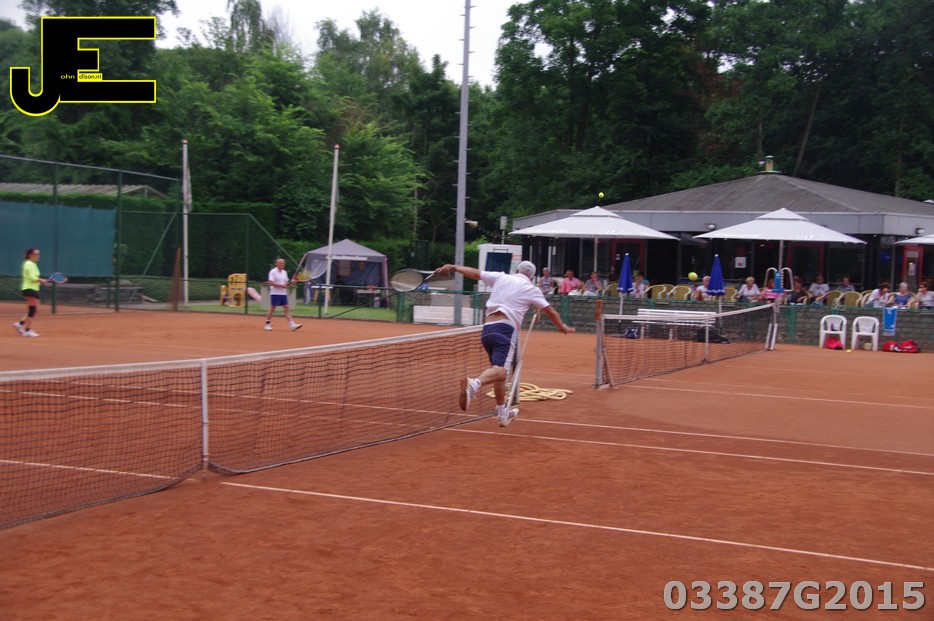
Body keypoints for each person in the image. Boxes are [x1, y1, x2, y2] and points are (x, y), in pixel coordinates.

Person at [436, 261, 574, 427]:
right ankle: (474, 384)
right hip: (506, 330)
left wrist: (454, 267)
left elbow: (475, 273)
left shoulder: (501, 277)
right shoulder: (531, 288)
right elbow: (550, 311)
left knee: (500, 372)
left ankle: (502, 413)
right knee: (500, 372)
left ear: (517, 270)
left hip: (487, 330)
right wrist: (562, 327)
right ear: (532, 277)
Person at [13, 248, 48, 338]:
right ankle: (27, 330)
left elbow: (33, 278)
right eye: (36, 254)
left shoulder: (33, 264)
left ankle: (20, 324)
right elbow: (32, 278)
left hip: (32, 289)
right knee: (33, 310)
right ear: (30, 255)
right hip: (30, 289)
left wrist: (40, 281)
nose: (38, 256)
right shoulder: (29, 264)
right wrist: (41, 280)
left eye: (39, 254)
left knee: (34, 310)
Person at [263, 258, 302, 331]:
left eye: (283, 263)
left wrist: (293, 282)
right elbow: (271, 283)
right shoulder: (273, 272)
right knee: (273, 308)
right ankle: (267, 324)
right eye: (280, 263)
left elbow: (286, 284)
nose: (282, 264)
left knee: (286, 307)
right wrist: (282, 286)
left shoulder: (284, 272)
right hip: (275, 293)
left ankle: (292, 325)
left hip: (283, 293)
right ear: (277, 264)